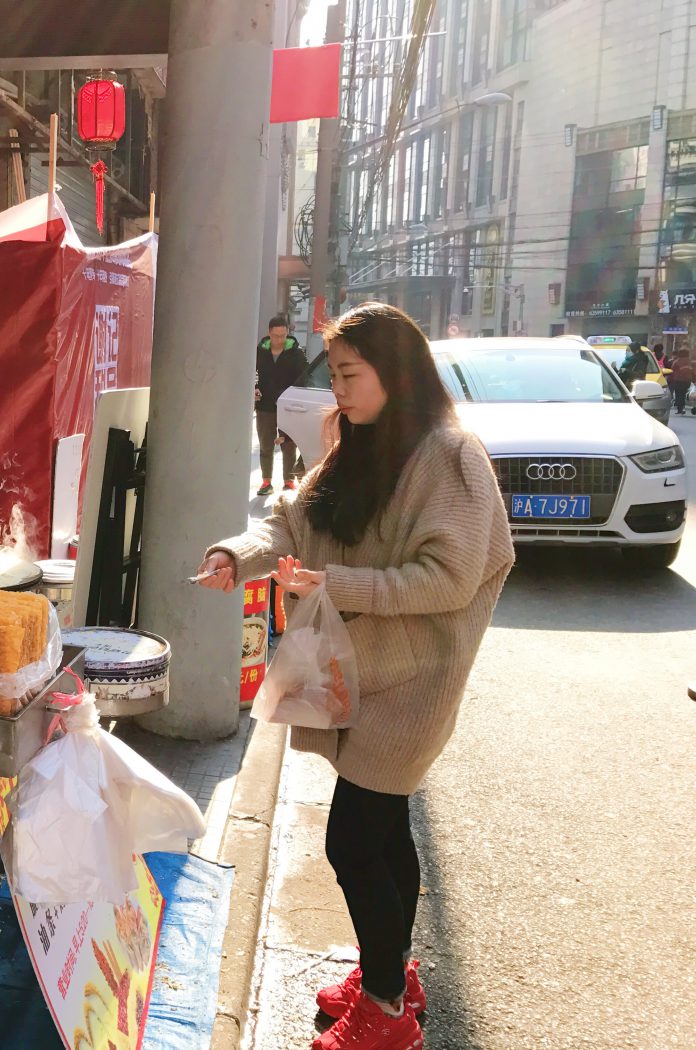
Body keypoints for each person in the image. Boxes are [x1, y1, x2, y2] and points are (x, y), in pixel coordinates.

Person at [197, 302, 515, 1050]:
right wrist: (231, 557)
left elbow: (450, 578)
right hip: (364, 669)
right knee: (385, 832)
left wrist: (335, 585)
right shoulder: (358, 443)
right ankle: (393, 974)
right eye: (333, 374)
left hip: (416, 679)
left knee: (351, 842)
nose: (336, 388)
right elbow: (293, 521)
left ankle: (385, 1013)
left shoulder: (449, 456)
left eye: (349, 373)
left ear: (395, 373)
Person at [254, 315, 309, 496]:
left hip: (288, 406)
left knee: (289, 444)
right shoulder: (259, 352)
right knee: (265, 445)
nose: (280, 339)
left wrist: (296, 397)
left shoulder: (296, 353)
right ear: (269, 333)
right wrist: (254, 388)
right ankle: (266, 481)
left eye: (283, 335)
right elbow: (249, 373)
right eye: (276, 336)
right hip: (264, 406)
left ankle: (288, 480)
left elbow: (304, 377)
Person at [670, 346, 693, 415]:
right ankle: (682, 407)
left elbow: (672, 370)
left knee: (678, 394)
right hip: (687, 380)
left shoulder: (677, 361)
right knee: (683, 393)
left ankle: (680, 408)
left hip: (678, 380)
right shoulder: (690, 361)